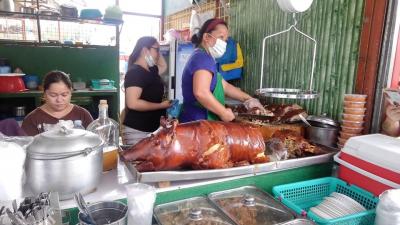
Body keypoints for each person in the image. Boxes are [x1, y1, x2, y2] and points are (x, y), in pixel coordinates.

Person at [179, 18, 265, 123]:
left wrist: (248, 99)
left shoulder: (206, 57)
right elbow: (201, 92)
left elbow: (224, 86)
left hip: (201, 120)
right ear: (206, 37)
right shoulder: (202, 58)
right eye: (221, 37)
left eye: (225, 39)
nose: (224, 43)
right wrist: (223, 112)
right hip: (198, 123)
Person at [122, 36, 171, 145]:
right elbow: (133, 103)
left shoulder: (152, 70)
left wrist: (156, 49)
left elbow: (163, 65)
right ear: (145, 50)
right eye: (157, 50)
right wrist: (161, 106)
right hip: (138, 131)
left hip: (151, 129)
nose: (159, 54)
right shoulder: (135, 72)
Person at [22, 71, 93, 136]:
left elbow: (93, 142)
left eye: (64, 95)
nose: (59, 100)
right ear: (44, 94)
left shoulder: (82, 115)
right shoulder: (32, 119)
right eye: (53, 95)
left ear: (71, 93)